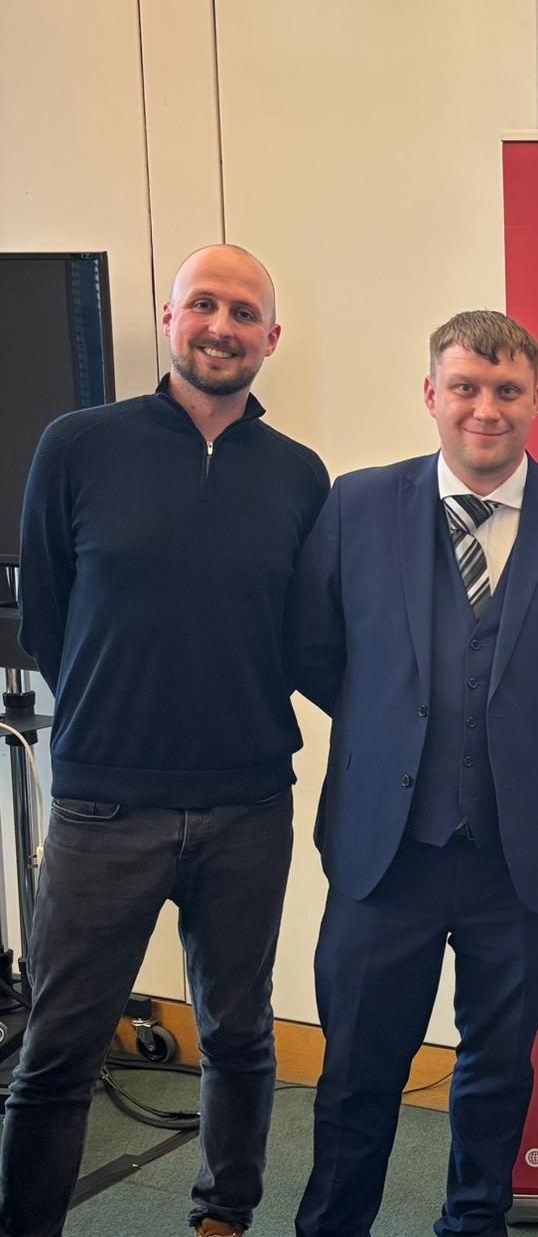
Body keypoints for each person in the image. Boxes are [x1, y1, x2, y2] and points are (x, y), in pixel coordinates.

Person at [288, 309, 538, 1237]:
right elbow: (312, 648)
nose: (485, 408)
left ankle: (474, 1224)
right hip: (385, 855)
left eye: (507, 390)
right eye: (465, 387)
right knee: (357, 1074)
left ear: (537, 401)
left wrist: (533, 744)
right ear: (431, 395)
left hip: (521, 862)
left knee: (498, 1073)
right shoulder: (358, 504)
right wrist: (392, 735)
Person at [4, 245, 329, 1237]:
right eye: (204, 304)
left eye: (243, 311)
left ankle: (222, 1215)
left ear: (271, 338)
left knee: (238, 1035)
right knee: (57, 1050)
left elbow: (304, 634)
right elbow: (48, 616)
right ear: (168, 316)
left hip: (246, 805)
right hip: (104, 805)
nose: (221, 325)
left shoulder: (298, 475)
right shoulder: (77, 443)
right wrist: (115, 717)